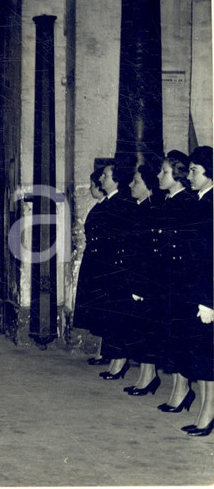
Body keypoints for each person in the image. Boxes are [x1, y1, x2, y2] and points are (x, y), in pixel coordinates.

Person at [154, 150, 197, 413]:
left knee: (181, 336)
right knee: (172, 335)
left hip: (182, 283)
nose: (159, 176)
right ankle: (178, 389)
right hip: (167, 280)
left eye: (165, 172)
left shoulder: (187, 204)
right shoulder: (169, 201)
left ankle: (182, 391)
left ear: (178, 175)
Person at [121, 162, 164, 397]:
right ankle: (145, 376)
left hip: (146, 281)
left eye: (136, 181)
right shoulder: (138, 208)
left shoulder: (152, 211)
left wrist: (140, 284)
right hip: (135, 279)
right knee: (140, 329)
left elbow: (147, 254)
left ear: (148, 186)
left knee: (147, 329)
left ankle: (149, 377)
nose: (131, 184)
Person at [180, 146, 213, 436]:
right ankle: (205, 411)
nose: (189, 175)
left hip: (207, 295)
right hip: (197, 291)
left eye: (194, 170)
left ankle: (208, 414)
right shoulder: (201, 200)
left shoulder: (211, 203)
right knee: (202, 356)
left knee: (208, 357)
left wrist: (208, 301)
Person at [92, 162, 134, 380]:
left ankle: (120, 361)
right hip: (104, 267)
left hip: (115, 268)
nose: (101, 180)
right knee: (109, 315)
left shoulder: (122, 203)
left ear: (116, 179)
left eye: (105, 176)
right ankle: (114, 358)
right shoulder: (109, 202)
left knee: (117, 316)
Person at [72, 169, 109, 365]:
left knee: (101, 307)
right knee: (96, 306)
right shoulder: (99, 206)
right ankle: (102, 351)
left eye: (93, 185)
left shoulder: (104, 208)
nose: (91, 189)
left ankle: (104, 352)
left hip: (98, 261)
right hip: (93, 259)